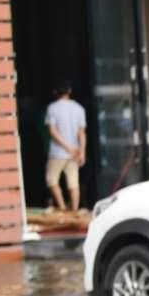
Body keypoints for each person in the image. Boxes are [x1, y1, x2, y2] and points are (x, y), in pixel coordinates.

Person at [45, 84, 87, 212]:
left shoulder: (52, 108)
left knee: (51, 180)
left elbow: (53, 132)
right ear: (70, 91)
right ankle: (74, 210)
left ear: (55, 92)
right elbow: (82, 133)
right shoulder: (79, 108)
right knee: (73, 183)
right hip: (74, 153)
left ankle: (63, 207)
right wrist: (82, 152)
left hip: (57, 153)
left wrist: (68, 147)